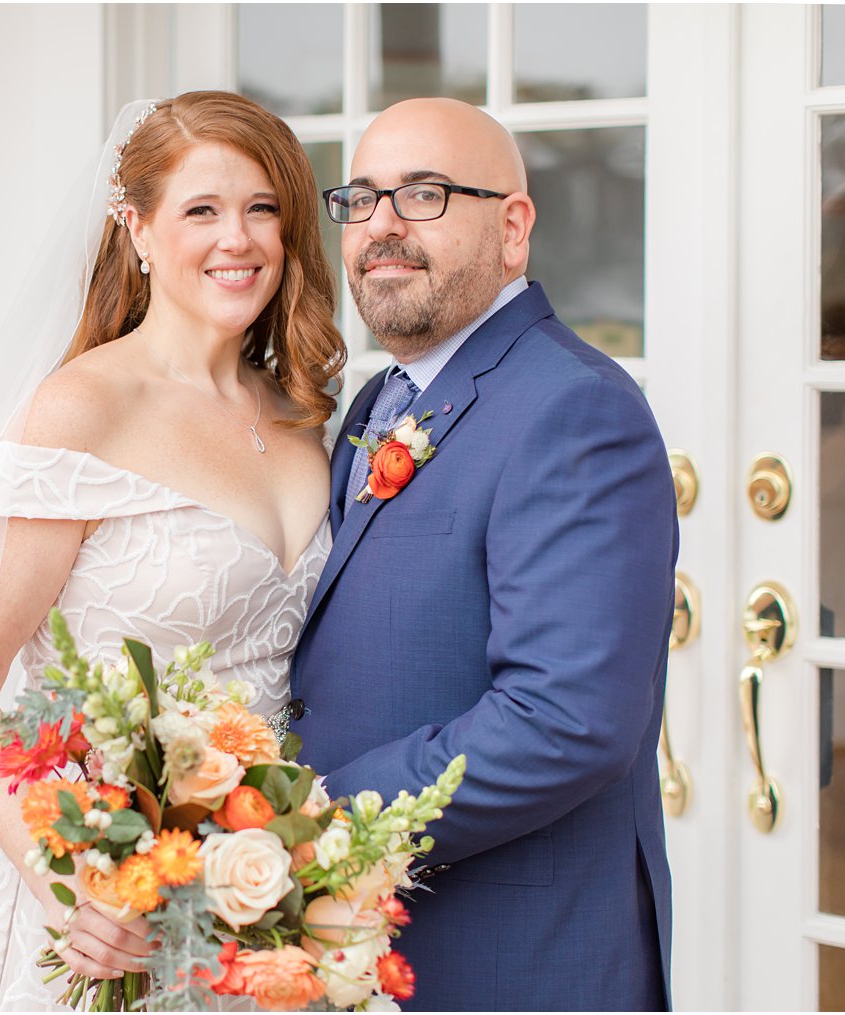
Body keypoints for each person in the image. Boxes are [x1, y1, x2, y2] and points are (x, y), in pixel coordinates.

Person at [0, 92, 346, 1010]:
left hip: (254, 899)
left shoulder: (302, 417)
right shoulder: (78, 411)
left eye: (263, 209)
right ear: (135, 227)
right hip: (101, 916)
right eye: (201, 210)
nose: (238, 238)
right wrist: (72, 880)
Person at [290, 97, 677, 1011]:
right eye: (361, 199)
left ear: (513, 229)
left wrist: (308, 820)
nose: (381, 226)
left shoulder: (575, 409)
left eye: (424, 194)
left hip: (509, 958)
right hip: (361, 945)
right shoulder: (379, 399)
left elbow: (565, 719)